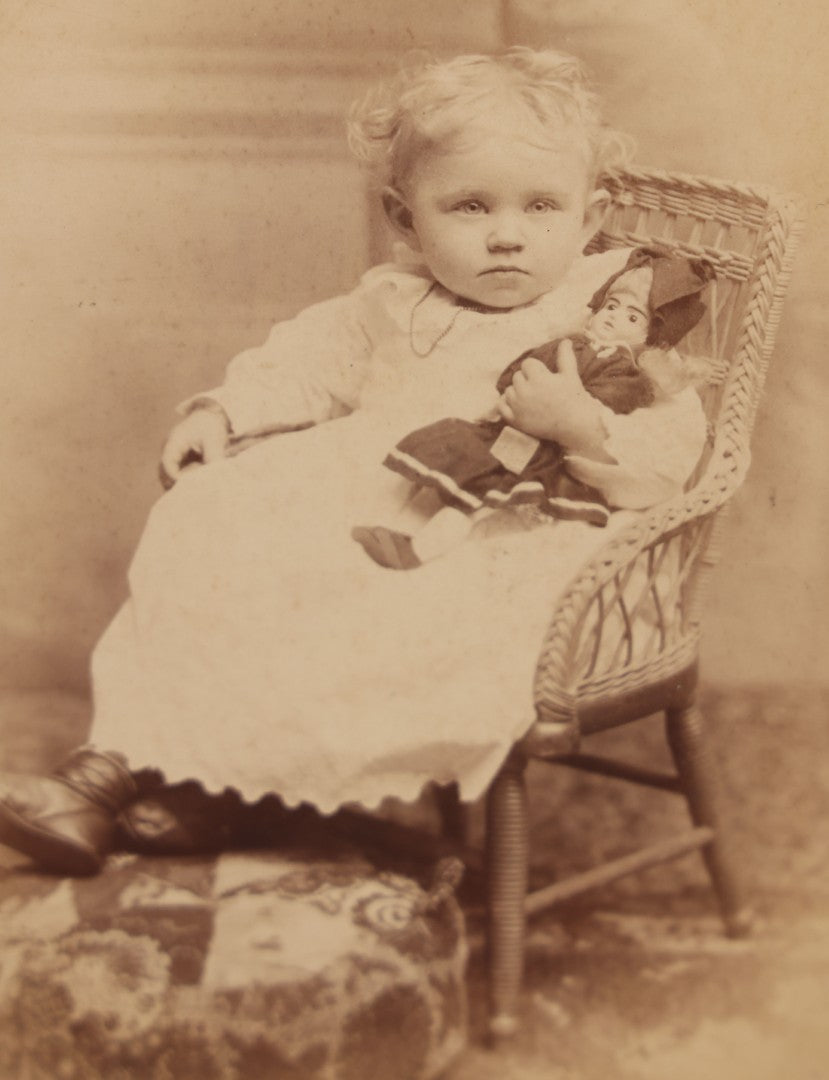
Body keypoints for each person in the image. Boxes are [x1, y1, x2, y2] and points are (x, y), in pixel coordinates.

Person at [0, 47, 708, 876]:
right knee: (211, 518)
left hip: (505, 541)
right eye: (469, 206)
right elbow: (306, 360)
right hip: (369, 497)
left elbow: (668, 452)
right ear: (405, 219)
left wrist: (581, 430)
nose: (507, 235)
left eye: (541, 205)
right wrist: (222, 408)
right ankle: (124, 770)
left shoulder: (605, 316)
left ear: (590, 218)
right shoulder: (390, 299)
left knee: (342, 589)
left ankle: (199, 789)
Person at [353, 247, 714, 568]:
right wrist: (513, 380)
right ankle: (398, 524)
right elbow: (526, 361)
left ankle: (419, 550)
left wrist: (568, 411)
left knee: (483, 490)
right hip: (512, 427)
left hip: (543, 451)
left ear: (649, 340)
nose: (613, 318)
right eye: (611, 306)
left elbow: (608, 404)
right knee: (452, 449)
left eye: (632, 318)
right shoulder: (569, 342)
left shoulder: (625, 372)